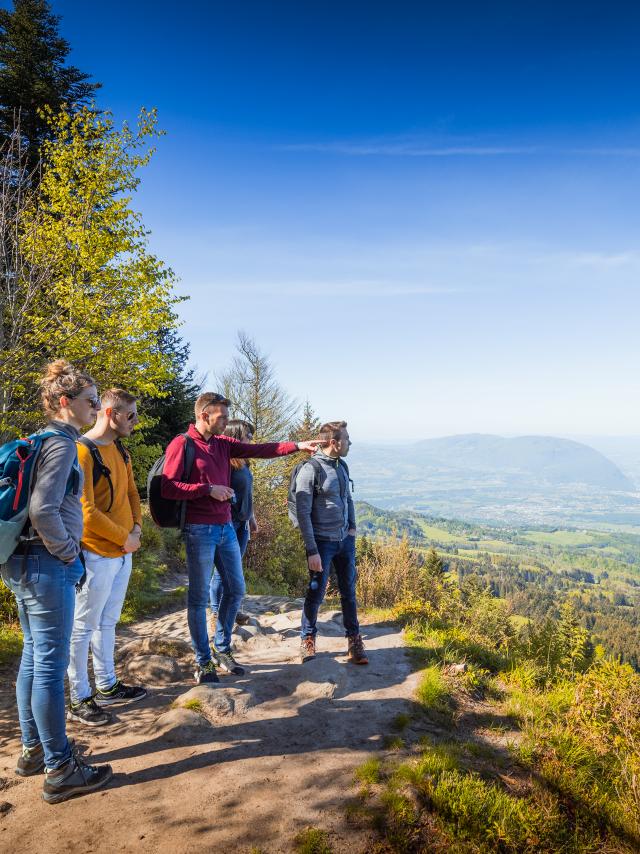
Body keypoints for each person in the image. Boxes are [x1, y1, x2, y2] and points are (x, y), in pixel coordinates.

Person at [0, 360, 112, 803]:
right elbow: (45, 509)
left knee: (33, 656)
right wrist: (71, 556)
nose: (97, 408)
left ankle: (33, 752)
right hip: (47, 563)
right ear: (65, 402)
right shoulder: (63, 444)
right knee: (48, 664)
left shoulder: (41, 440)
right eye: (91, 401)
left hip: (21, 562)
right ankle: (60, 768)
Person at [161, 392, 319, 684]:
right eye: (221, 416)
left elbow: (262, 449)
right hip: (199, 530)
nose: (225, 422)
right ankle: (203, 662)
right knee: (198, 599)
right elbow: (168, 487)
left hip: (226, 529)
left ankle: (222, 649)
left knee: (235, 589)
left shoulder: (223, 444)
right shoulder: (182, 445)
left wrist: (297, 445)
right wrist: (207, 490)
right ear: (204, 415)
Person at [67, 388, 146, 727]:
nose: (136, 421)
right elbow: (85, 511)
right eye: (130, 415)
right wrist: (124, 537)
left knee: (108, 622)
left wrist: (138, 529)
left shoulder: (121, 450)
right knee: (82, 627)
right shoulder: (82, 450)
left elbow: (131, 493)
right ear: (111, 413)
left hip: (123, 552)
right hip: (95, 553)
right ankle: (79, 696)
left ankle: (107, 684)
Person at [296, 421, 368, 665]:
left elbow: (347, 498)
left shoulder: (341, 465)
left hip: (344, 540)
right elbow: (303, 513)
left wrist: (352, 529)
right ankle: (307, 639)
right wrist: (311, 550)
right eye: (346, 438)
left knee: (349, 591)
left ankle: (354, 640)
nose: (349, 443)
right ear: (334, 442)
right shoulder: (310, 469)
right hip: (322, 543)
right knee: (316, 592)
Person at [209, 419, 258, 632]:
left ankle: (231, 609)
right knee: (222, 571)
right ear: (236, 436)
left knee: (235, 567)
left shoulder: (244, 462)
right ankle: (214, 612)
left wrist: (252, 516)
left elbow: (248, 491)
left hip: (243, 522)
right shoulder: (224, 463)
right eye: (247, 435)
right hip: (228, 521)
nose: (250, 440)